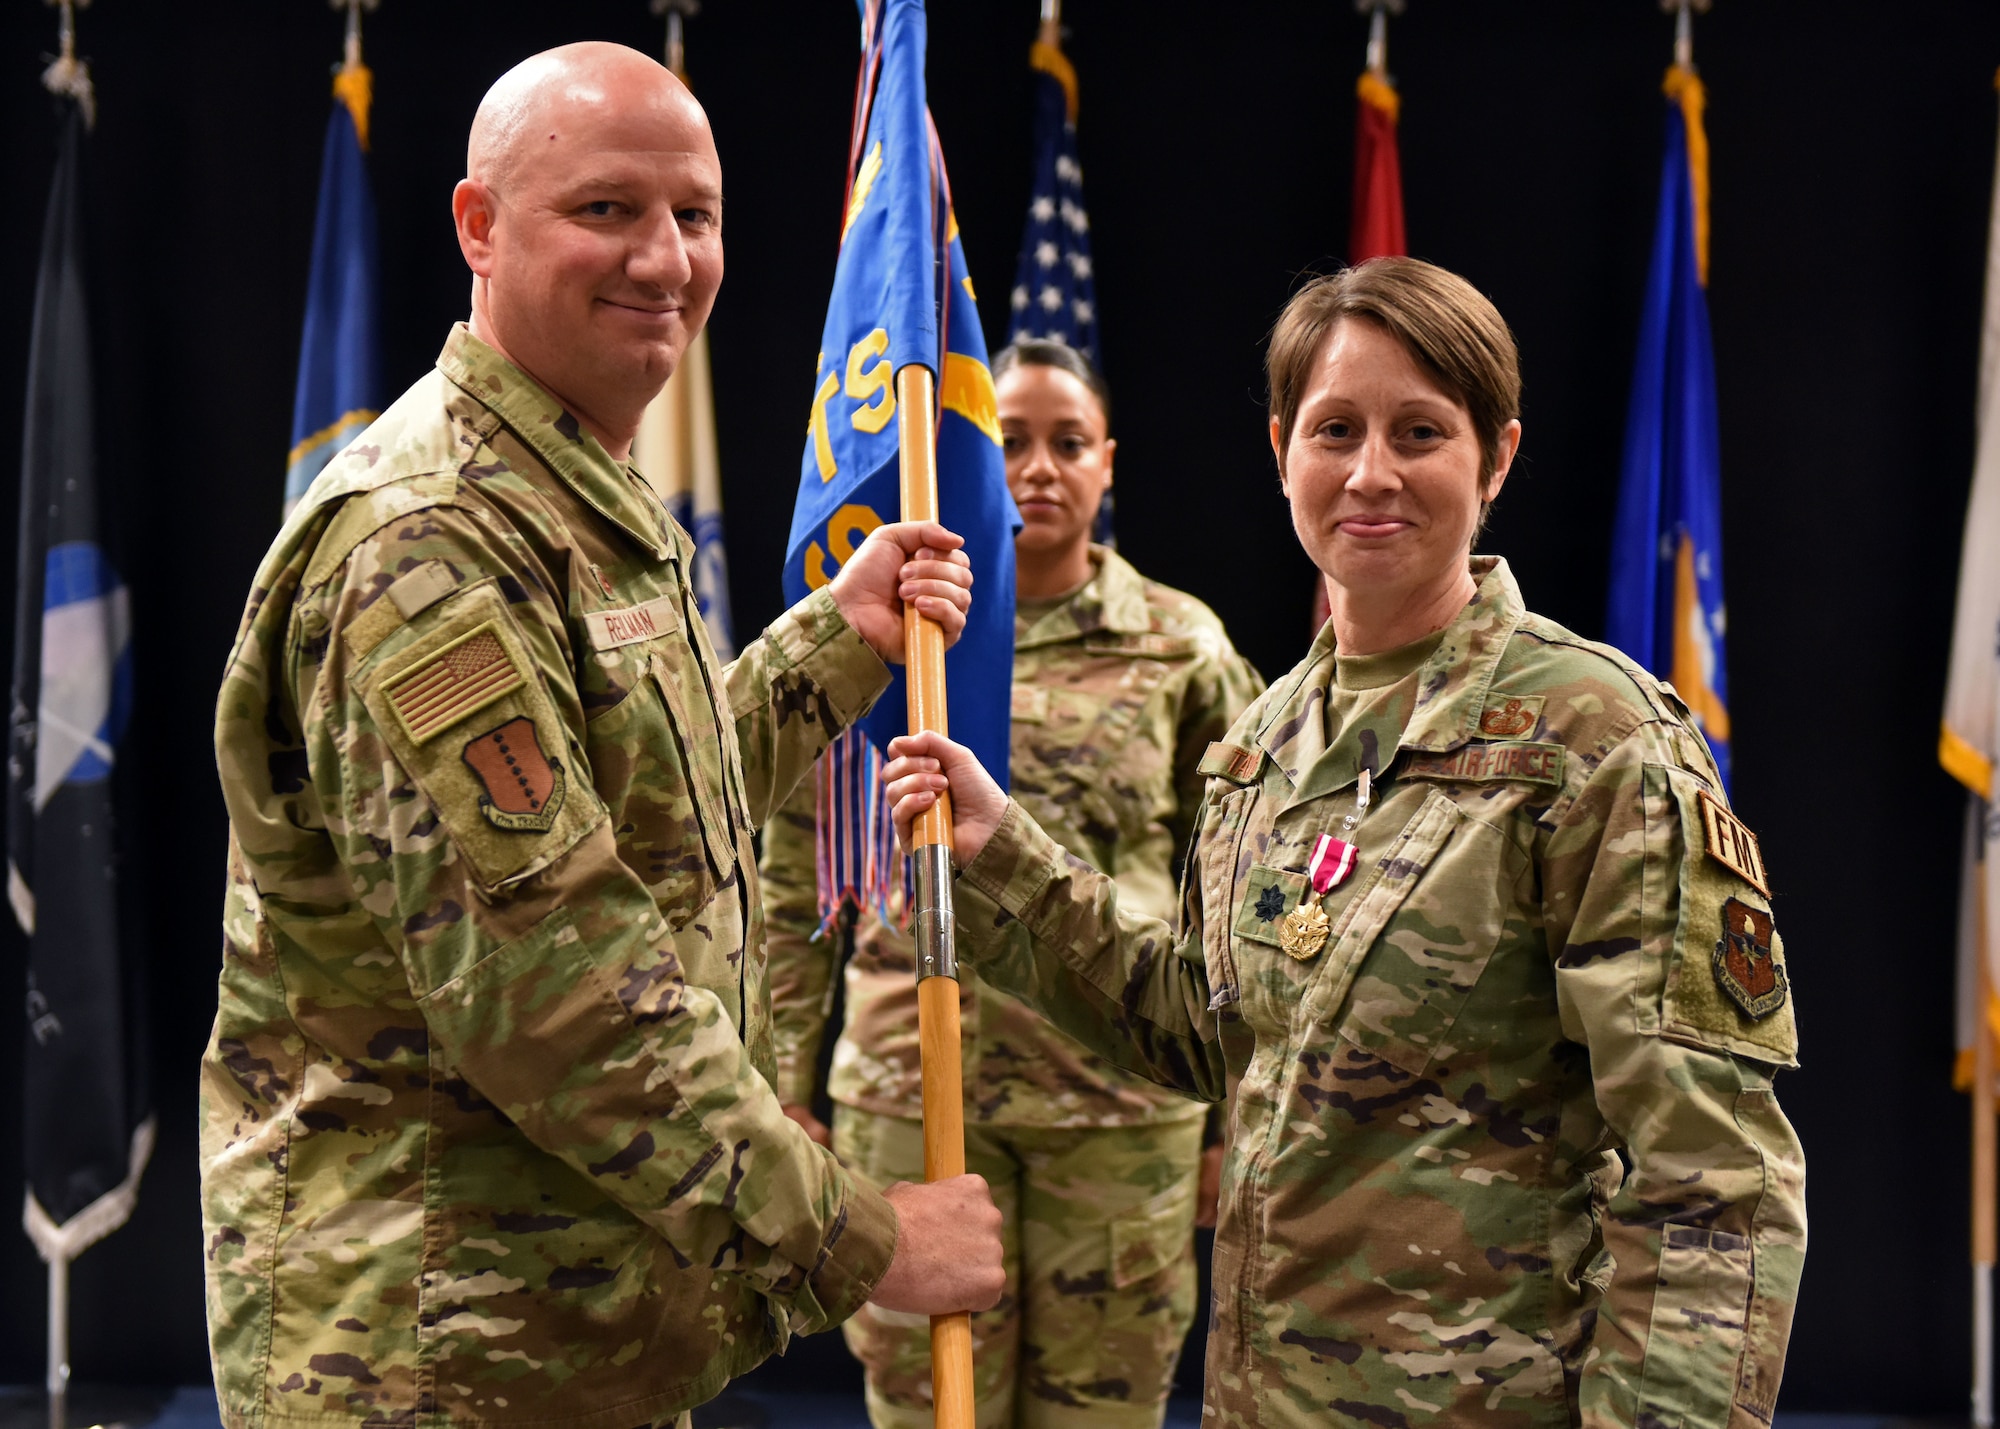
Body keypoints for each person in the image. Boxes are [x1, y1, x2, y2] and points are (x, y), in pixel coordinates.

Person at [202, 43, 1004, 1429]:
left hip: (569, 1333)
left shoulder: (571, 493)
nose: (665, 259)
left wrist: (841, 639)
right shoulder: (431, 541)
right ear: (478, 226)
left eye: (694, 215)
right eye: (607, 211)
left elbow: (645, 816)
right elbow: (562, 996)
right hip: (433, 1354)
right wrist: (868, 1237)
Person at [882, 258, 1806, 1428]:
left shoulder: (1596, 738)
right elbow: (1203, 1035)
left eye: (1419, 431)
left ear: (1497, 457)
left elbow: (1711, 1183)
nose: (1371, 472)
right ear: (1281, 453)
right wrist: (1004, 851)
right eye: (1335, 429)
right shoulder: (1261, 741)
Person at [760, 340, 1265, 1429]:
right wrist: (780, 1081)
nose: (1037, 468)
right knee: (924, 1407)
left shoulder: (1182, 647)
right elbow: (794, 880)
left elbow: (1229, 895)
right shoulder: (890, 640)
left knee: (1105, 1408)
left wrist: (1233, 1112)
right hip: (912, 1090)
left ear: (1108, 463)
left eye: (1067, 443)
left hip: (1120, 1108)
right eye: (1011, 443)